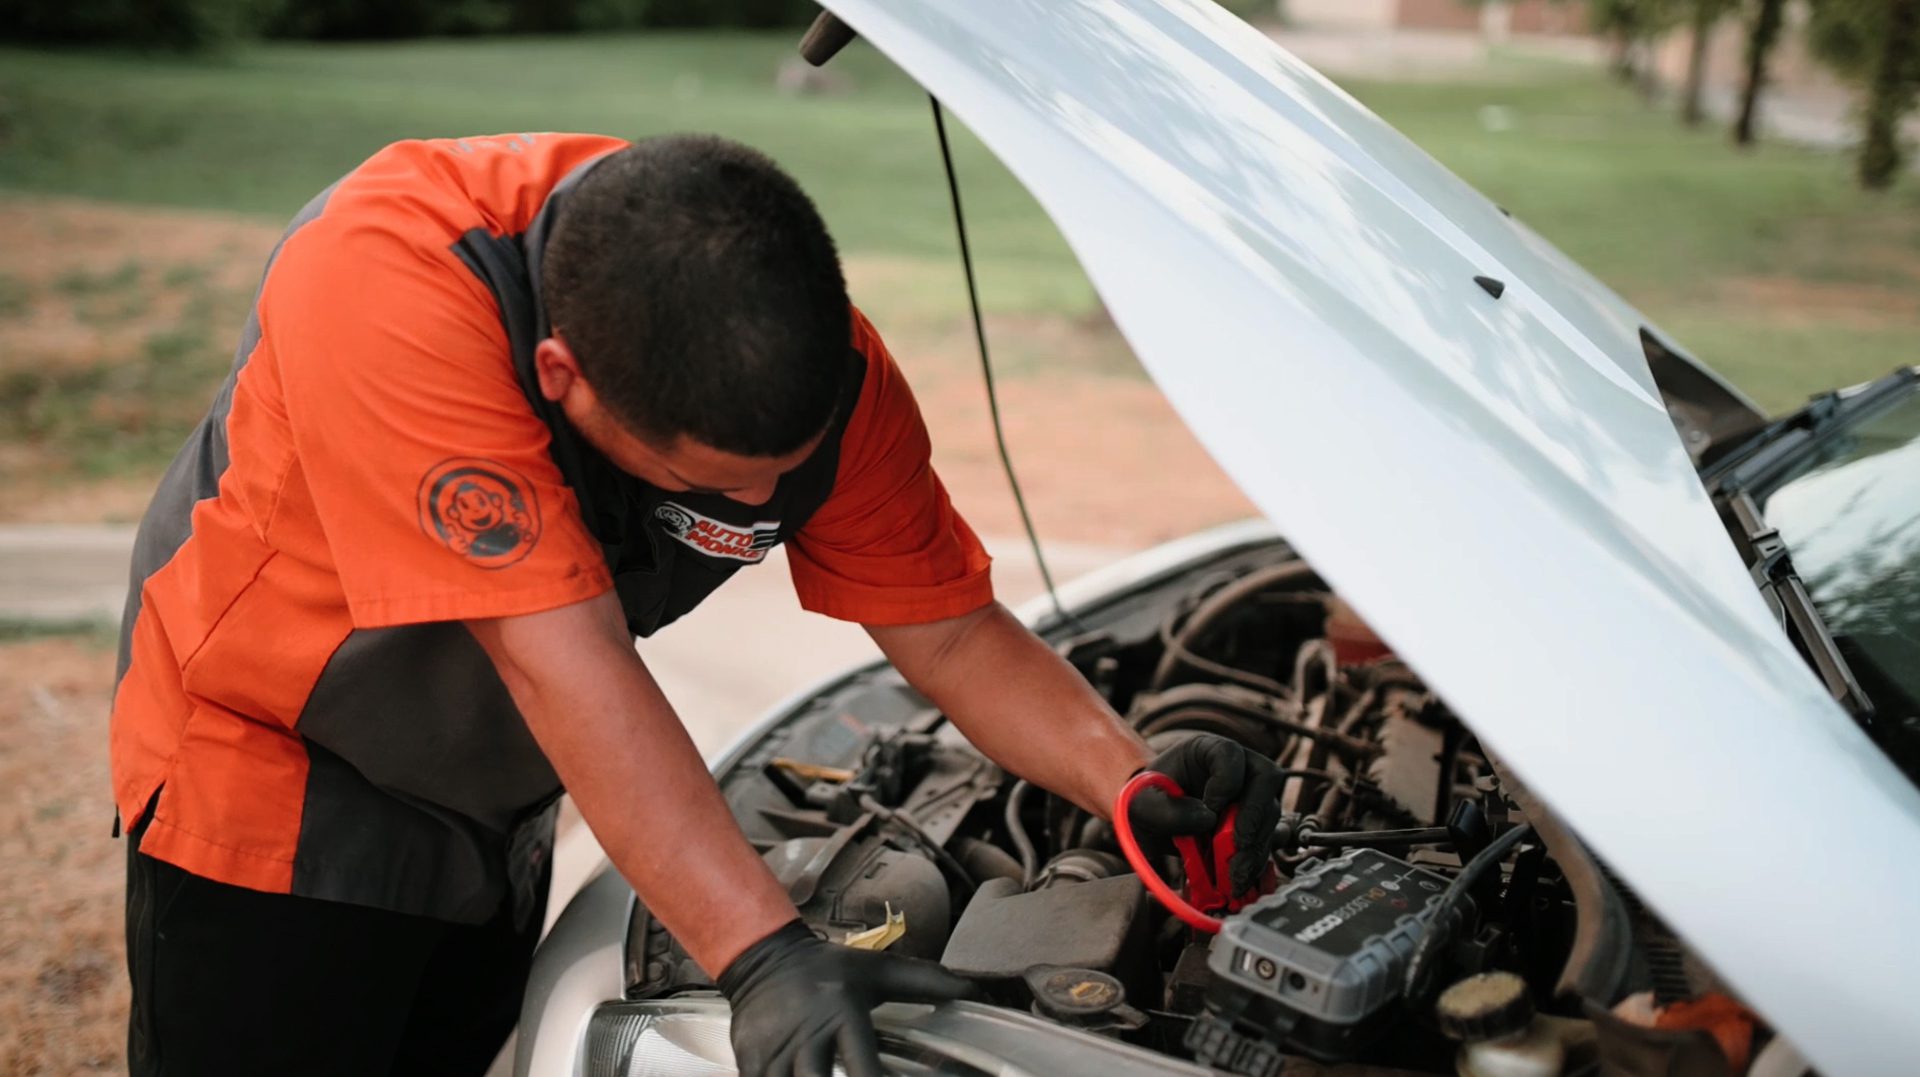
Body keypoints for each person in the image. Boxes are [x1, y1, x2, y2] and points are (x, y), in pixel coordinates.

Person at [110, 131, 1283, 1076]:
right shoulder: (390, 282)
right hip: (277, 771)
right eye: (713, 483)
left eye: (788, 471)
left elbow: (950, 627)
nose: (765, 504)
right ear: (562, 379)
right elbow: (564, 662)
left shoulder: (811, 359)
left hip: (496, 794)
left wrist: (1128, 777)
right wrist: (764, 955)